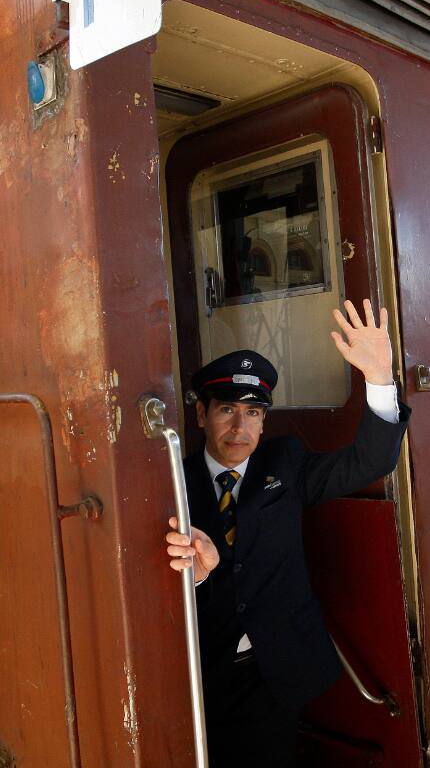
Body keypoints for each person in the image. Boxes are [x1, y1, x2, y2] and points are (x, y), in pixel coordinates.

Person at [163, 299, 409, 767]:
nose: (240, 427)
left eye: (254, 413)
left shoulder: (286, 463)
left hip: (274, 671)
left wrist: (379, 379)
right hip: (199, 677)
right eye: (227, 410)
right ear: (201, 415)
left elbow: (370, 461)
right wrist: (198, 577)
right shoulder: (172, 482)